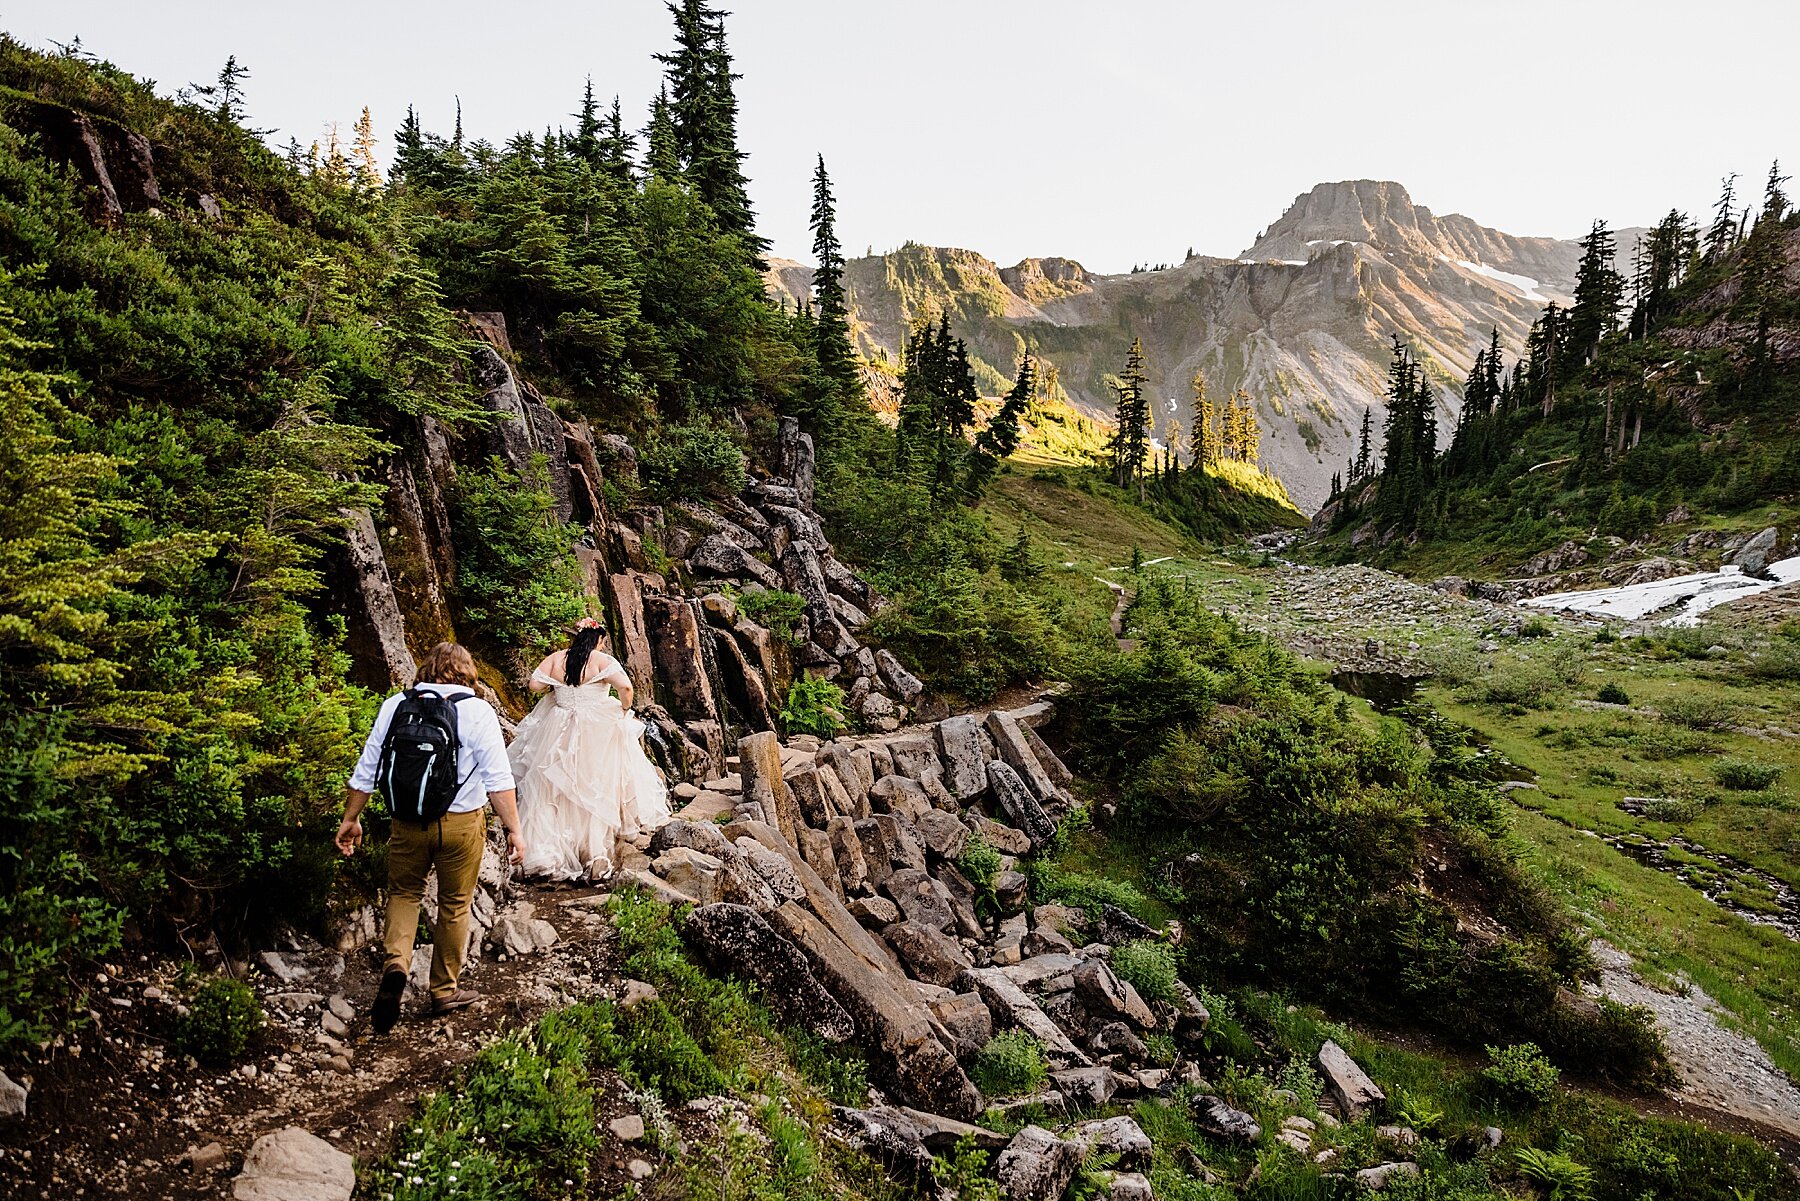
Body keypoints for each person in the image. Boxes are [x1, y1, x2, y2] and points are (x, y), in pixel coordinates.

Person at [336, 642, 524, 1033]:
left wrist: (351, 818)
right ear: (468, 672)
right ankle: (443, 991)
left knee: (404, 893)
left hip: (406, 821)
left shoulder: (395, 706)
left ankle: (396, 967)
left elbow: (368, 766)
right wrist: (514, 830)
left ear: (426, 669)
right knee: (455, 903)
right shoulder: (477, 711)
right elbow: (498, 782)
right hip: (461, 825)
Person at [508, 616, 671, 880]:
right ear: (599, 640)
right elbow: (625, 686)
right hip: (596, 726)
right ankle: (594, 852)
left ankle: (546, 854)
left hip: (557, 725)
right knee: (595, 785)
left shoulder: (557, 658)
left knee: (552, 788)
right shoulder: (601, 660)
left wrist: (560, 688)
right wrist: (625, 708)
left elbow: (534, 685)